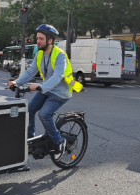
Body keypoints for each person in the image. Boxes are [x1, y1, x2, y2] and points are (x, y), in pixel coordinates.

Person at [7, 24, 83, 159]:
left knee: (44, 114)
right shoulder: (40, 54)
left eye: (41, 39)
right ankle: (30, 141)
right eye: (37, 38)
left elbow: (58, 76)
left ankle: (59, 142)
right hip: (47, 90)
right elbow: (31, 71)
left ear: (50, 40)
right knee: (29, 109)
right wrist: (16, 82)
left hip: (60, 93)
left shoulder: (60, 55)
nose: (38, 41)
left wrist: (40, 87)